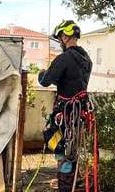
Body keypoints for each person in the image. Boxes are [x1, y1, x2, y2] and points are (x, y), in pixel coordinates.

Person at [38, 20, 93, 192]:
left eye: (60, 37)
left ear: (65, 36)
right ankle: (71, 183)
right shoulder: (87, 59)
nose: (60, 41)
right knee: (72, 151)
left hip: (66, 116)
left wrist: (41, 73)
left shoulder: (64, 58)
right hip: (79, 116)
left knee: (62, 152)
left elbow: (46, 81)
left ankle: (65, 187)